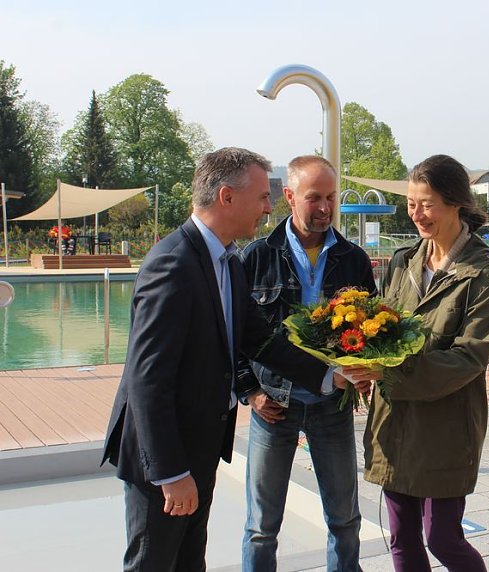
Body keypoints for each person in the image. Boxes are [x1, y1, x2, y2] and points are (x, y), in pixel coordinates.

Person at [102, 147, 339, 572]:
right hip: (165, 456)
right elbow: (147, 380)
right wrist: (171, 473)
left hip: (201, 445)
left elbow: (260, 340)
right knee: (153, 563)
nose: (269, 209)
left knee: (190, 561)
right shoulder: (173, 264)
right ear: (227, 197)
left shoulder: (228, 262)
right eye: (263, 197)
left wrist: (329, 376)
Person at [363, 154, 489, 572]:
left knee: (441, 537)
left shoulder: (483, 272)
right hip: (394, 420)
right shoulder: (403, 261)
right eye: (411, 203)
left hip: (447, 425)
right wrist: (358, 364)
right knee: (401, 539)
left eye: (426, 203)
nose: (417, 214)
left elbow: (469, 356)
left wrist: (388, 372)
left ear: (455, 202)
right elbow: (381, 330)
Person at [239, 155, 378, 572]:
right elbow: (235, 336)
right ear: (289, 196)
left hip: (331, 408)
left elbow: (370, 331)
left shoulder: (353, 259)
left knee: (346, 521)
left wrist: (366, 370)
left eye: (331, 197)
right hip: (274, 407)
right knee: (262, 528)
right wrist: (250, 391)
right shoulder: (256, 258)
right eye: (314, 197)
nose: (324, 207)